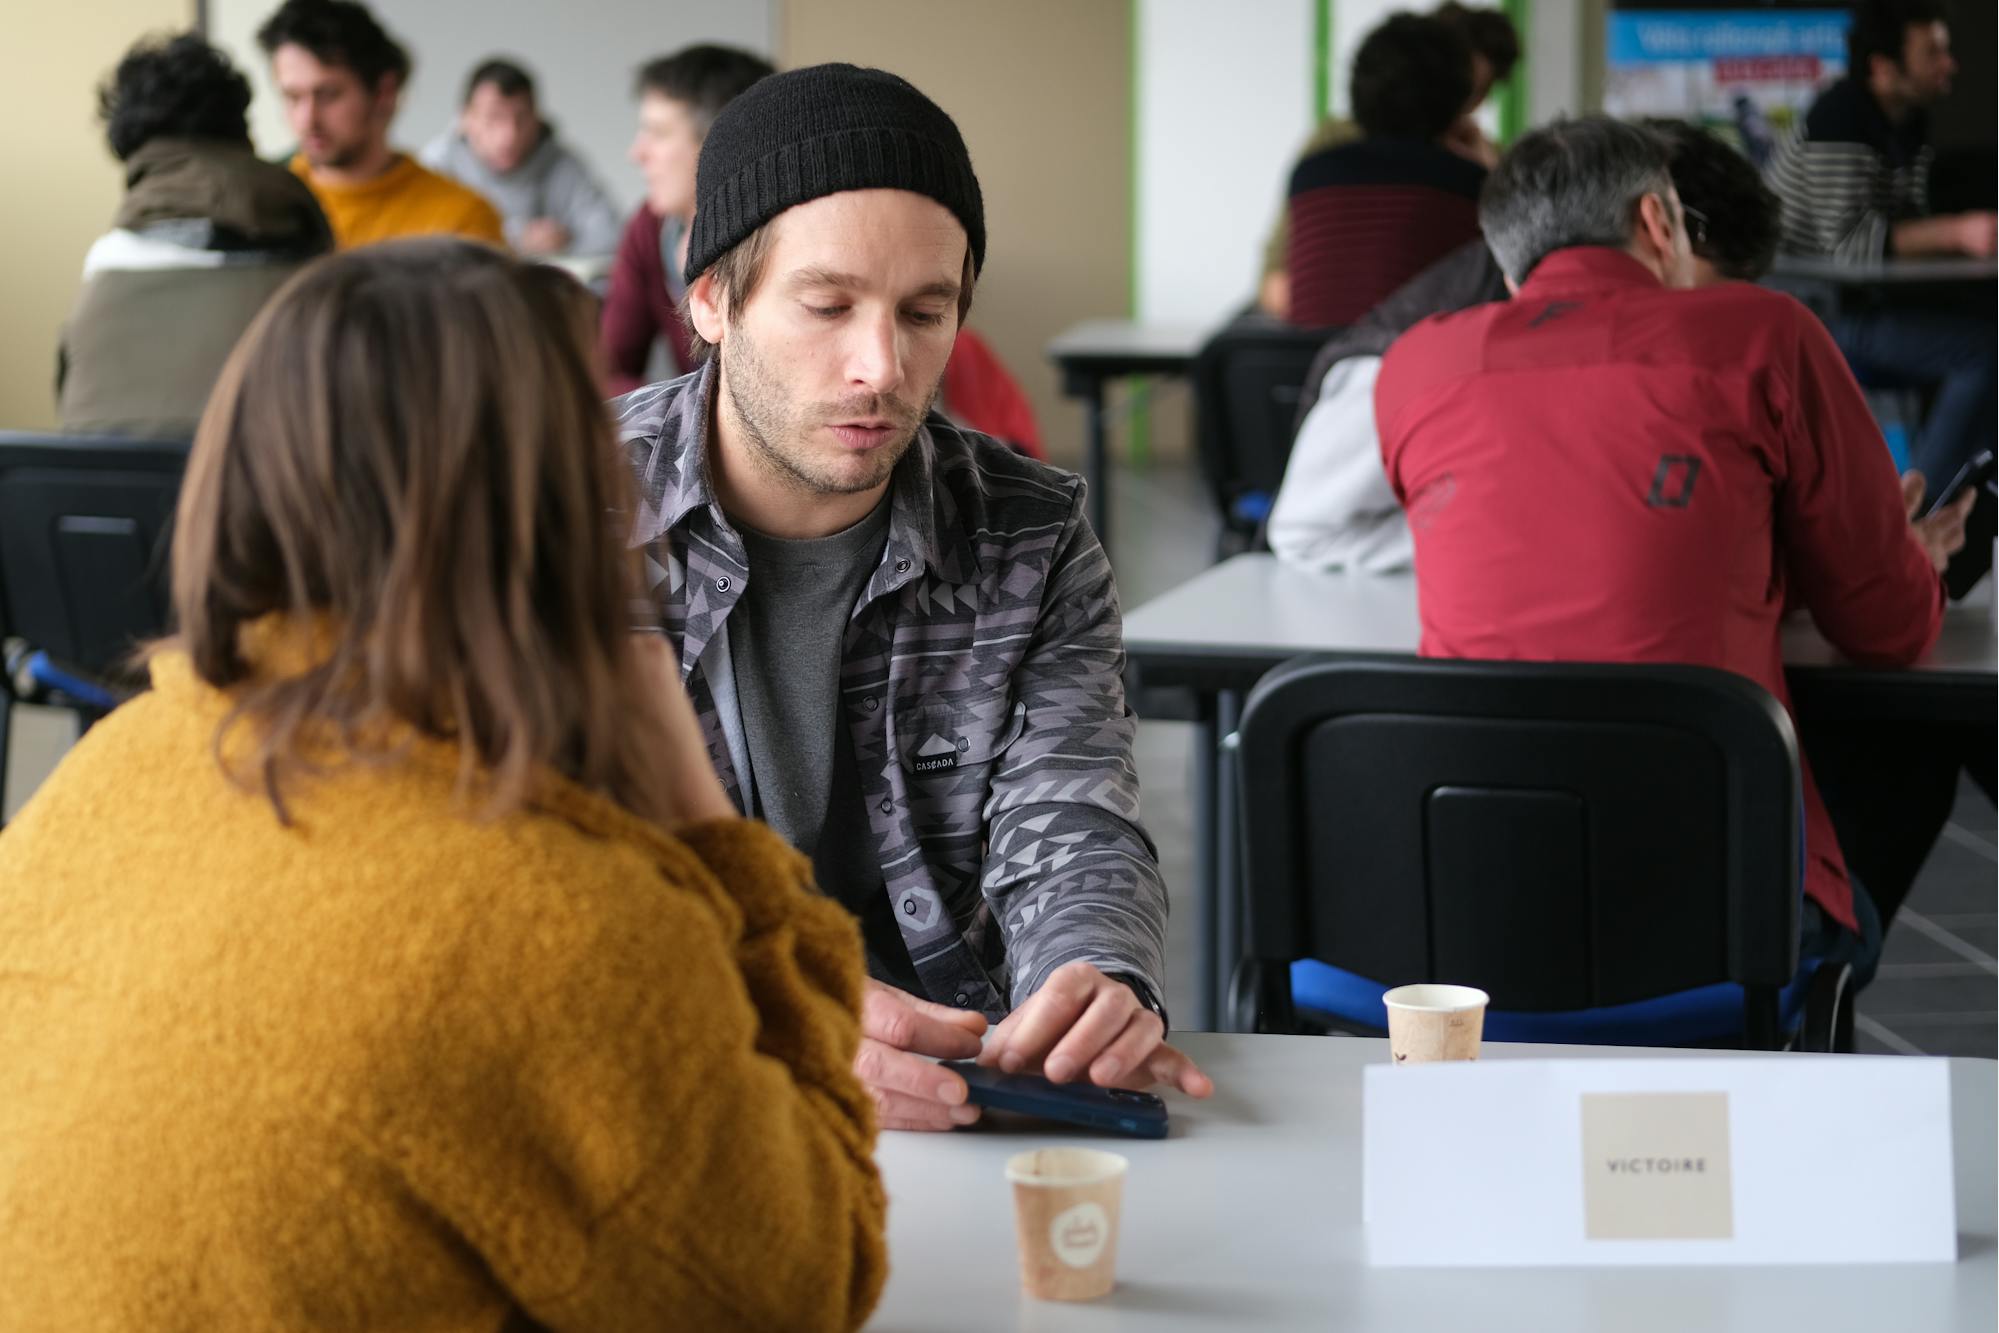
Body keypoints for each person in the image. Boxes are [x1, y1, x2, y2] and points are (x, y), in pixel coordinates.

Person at [0, 240, 885, 1330]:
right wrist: (707, 826)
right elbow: (801, 1287)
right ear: (567, 500)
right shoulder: (557, 925)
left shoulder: (108, 770)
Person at [616, 63, 1212, 1132]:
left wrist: (1094, 975)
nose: (881, 368)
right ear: (710, 300)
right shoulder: (556, 515)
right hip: (661, 1080)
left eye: (925, 312)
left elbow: (1069, 810)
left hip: (963, 1087)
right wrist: (761, 1014)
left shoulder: (1029, 535)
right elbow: (500, 867)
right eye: (827, 306)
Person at [1374, 116, 1975, 991]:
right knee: (1905, 768)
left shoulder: (1414, 367)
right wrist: (1905, 558)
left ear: (1506, 264)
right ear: (1658, 222)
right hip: (1713, 915)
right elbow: (1885, 628)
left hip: (1466, 919)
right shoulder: (1764, 333)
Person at [1268, 119, 1778, 573]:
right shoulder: (1406, 364)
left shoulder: (1595, 341)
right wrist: (1506, 534)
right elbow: (1306, 533)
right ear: (1655, 229)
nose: (1685, 331)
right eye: (1687, 299)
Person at [1765, 0, 1996, 487]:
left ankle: (1961, 500)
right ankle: (1917, 511)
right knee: (1981, 352)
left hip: (1864, 302)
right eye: (1932, 53)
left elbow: (1904, 226)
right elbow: (1850, 248)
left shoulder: (1908, 122)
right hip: (1814, 312)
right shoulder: (1839, 120)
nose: (1949, 64)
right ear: (1883, 68)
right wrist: (1959, 233)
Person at [58, 32, 331, 436]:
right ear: (242, 132)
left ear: (131, 151)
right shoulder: (311, 244)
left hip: (110, 476)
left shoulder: (108, 259)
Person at [1259, 2, 1518, 321]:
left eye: (1478, 95)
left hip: (1325, 342)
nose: (1466, 111)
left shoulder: (1314, 170)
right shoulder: (1468, 178)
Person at [259, 0, 505, 249]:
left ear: (384, 92)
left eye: (329, 95)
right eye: (292, 97)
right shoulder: (260, 208)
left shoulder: (460, 222)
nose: (307, 119)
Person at [602, 44, 773, 394]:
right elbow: (607, 369)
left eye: (659, 133)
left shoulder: (779, 240)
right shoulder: (650, 228)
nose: (637, 153)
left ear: (718, 144)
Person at [420, 57, 623, 256]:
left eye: (521, 118)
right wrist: (516, 240)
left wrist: (565, 241)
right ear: (465, 118)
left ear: (537, 117)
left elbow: (610, 234)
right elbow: (421, 238)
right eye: (494, 118)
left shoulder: (561, 162)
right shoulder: (437, 164)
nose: (510, 135)